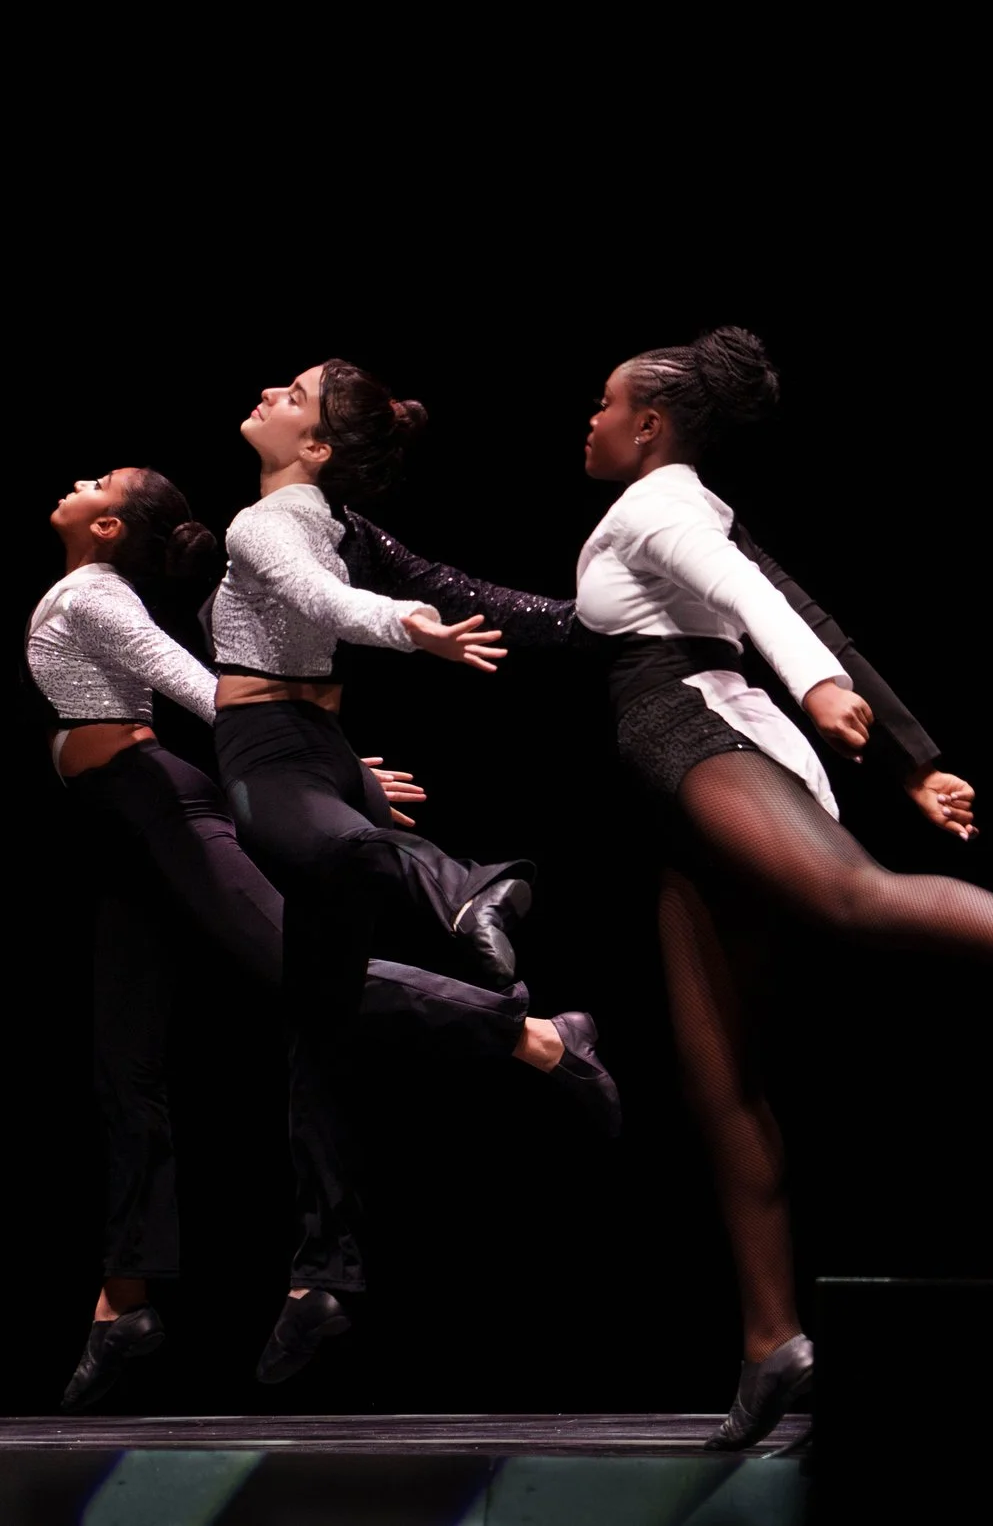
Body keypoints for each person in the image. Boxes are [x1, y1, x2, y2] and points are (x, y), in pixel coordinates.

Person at [574, 326, 993, 1449]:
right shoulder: (685, 505)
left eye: (606, 404)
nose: (593, 419)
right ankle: (771, 1341)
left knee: (851, 896)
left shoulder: (658, 504)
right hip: (685, 775)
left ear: (651, 425)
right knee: (718, 1076)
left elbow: (765, 610)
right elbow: (805, 606)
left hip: (698, 735)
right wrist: (910, 762)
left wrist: (819, 690)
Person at [33, 467, 615, 1407]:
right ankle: (124, 1299)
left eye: (96, 482)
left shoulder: (93, 596)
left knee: (302, 974)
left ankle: (536, 1036)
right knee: (123, 1066)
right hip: (121, 835)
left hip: (158, 810)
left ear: (106, 528)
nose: (76, 481)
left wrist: (336, 767)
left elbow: (205, 688)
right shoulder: (86, 590)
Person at [212, 360, 575, 1380]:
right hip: (319, 750)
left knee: (338, 866)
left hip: (277, 753)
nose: (270, 393)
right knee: (317, 1026)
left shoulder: (271, 525)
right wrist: (563, 620)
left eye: (293, 395)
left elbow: (328, 601)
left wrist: (405, 628)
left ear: (317, 447)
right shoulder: (329, 524)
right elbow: (401, 595)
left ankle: (464, 887)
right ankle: (319, 1272)